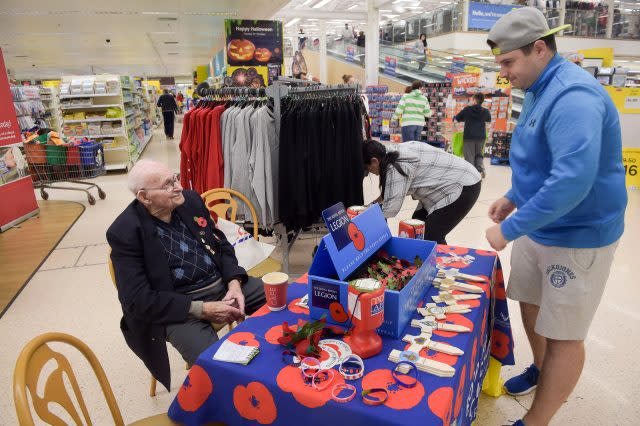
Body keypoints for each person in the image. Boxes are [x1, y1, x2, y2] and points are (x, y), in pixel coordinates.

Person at [484, 8, 627, 426]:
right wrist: (513, 196)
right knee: (529, 300)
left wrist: (507, 229)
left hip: (578, 233)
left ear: (540, 49)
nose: (504, 73)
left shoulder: (573, 97)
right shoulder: (536, 85)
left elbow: (571, 182)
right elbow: (543, 159)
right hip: (538, 221)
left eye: (509, 62)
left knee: (565, 332)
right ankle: (542, 370)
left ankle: (537, 420)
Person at [107, 160, 267, 391]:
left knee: (286, 297)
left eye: (176, 178)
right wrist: (202, 309)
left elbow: (221, 245)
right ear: (144, 196)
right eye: (168, 184)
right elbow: (137, 300)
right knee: (218, 366)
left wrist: (234, 284)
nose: (178, 187)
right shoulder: (125, 231)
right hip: (178, 308)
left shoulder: (190, 201)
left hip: (223, 285)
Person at [363, 140, 481, 244]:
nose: (370, 172)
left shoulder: (395, 168)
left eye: (368, 169)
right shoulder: (389, 152)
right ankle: (421, 264)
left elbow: (390, 209)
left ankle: (441, 267)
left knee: (431, 236)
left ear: (374, 161)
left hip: (463, 185)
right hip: (445, 183)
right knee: (416, 229)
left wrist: (364, 220)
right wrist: (368, 207)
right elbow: (387, 195)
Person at [454, 93, 492, 178]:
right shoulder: (486, 111)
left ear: (474, 100)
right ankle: (479, 171)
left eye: (471, 99)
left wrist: (458, 127)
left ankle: (471, 176)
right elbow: (489, 124)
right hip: (481, 137)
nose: (470, 101)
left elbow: (456, 119)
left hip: (469, 137)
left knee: (469, 157)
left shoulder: (467, 109)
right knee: (479, 155)